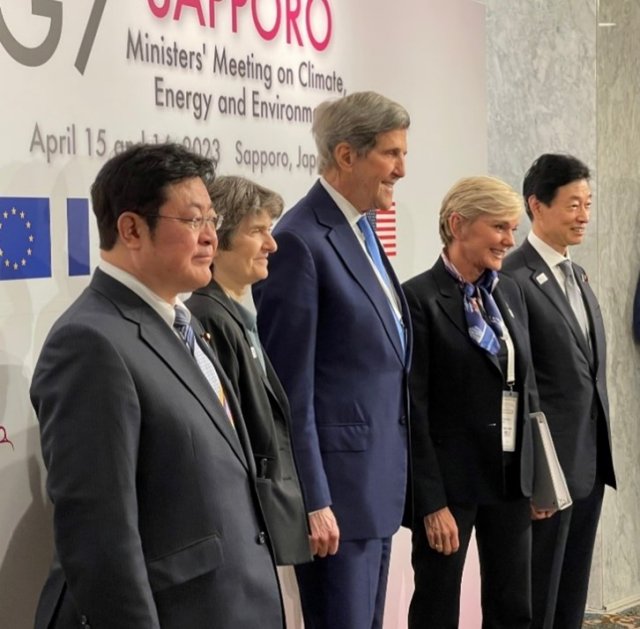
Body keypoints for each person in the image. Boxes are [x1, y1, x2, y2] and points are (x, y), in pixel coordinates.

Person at [31, 143, 284, 629]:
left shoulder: (184, 322)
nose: (211, 237)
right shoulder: (90, 342)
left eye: (213, 220)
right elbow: (99, 538)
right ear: (131, 229)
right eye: (193, 221)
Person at [252, 91, 411, 629]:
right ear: (347, 156)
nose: (402, 169)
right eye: (391, 154)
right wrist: (314, 498)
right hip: (336, 505)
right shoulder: (299, 240)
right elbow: (288, 391)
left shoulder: (361, 230)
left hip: (374, 493)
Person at [403, 176, 539, 629]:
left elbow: (527, 386)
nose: (509, 240)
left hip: (508, 481)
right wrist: (430, 502)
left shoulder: (510, 291)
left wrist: (535, 474)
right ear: (458, 224)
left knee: (513, 607)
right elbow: (413, 410)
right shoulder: (417, 298)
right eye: (499, 227)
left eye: (513, 228)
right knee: (437, 608)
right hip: (451, 488)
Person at [503, 153, 616, 629]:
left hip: (587, 463)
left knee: (571, 599)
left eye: (587, 204)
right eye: (572, 204)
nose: (583, 216)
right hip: (547, 474)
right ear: (537, 205)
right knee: (539, 601)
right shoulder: (515, 277)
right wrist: (532, 476)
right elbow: (520, 382)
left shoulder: (579, 275)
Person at [186, 175, 311, 566]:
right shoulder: (209, 318)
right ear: (219, 239)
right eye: (258, 231)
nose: (272, 244)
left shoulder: (234, 316)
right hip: (247, 531)